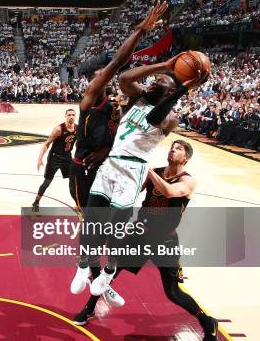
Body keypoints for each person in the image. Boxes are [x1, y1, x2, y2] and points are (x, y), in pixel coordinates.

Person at [72, 53, 210, 300]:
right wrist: (164, 66)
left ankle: (107, 273)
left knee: (115, 229)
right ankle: (83, 266)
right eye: (155, 81)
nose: (154, 83)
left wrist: (182, 88)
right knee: (92, 218)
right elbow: (124, 77)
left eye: (161, 84)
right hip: (111, 163)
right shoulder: (137, 98)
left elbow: (153, 118)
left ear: (169, 94)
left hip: (133, 170)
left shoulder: (170, 118)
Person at [73, 140, 219, 341]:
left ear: (186, 158)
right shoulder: (155, 172)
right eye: (172, 146)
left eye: (178, 148)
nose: (172, 149)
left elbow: (169, 191)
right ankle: (89, 308)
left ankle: (208, 322)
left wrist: (146, 169)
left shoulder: (187, 181)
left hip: (164, 240)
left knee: (172, 292)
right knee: (110, 272)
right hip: (140, 234)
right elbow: (130, 193)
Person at [69, 1, 168, 296]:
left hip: (113, 167)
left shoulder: (120, 107)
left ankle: (105, 277)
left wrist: (108, 149)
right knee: (92, 226)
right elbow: (118, 67)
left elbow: (124, 135)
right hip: (83, 168)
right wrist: (140, 30)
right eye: (100, 77)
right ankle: (89, 269)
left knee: (114, 227)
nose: (106, 79)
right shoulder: (89, 101)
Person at [32, 109, 77, 211]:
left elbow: (77, 143)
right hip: (54, 157)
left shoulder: (77, 129)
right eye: (69, 115)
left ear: (75, 116)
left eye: (73, 115)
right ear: (65, 116)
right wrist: (40, 158)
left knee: (73, 181)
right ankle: (36, 202)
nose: (71, 116)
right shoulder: (59, 129)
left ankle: (79, 205)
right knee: (48, 181)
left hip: (67, 157)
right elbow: (47, 143)